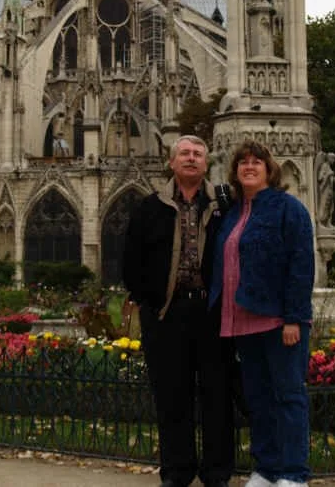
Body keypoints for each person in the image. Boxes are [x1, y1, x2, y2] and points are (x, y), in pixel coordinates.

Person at [123, 135, 235, 487]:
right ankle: (177, 471)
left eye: (197, 155)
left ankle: (217, 472)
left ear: (207, 163)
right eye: (184, 154)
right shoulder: (149, 206)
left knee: (218, 396)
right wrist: (148, 300)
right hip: (166, 314)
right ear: (171, 162)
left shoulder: (223, 205)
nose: (190, 159)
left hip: (212, 311)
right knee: (172, 397)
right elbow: (130, 259)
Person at [210, 140, 315, 487]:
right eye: (243, 163)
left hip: (276, 319)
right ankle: (267, 469)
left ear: (270, 170)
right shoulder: (233, 213)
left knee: (288, 395)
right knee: (258, 400)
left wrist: (293, 318)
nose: (249, 167)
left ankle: (294, 473)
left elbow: (301, 265)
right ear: (235, 171)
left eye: (257, 162)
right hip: (243, 319)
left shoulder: (289, 208)